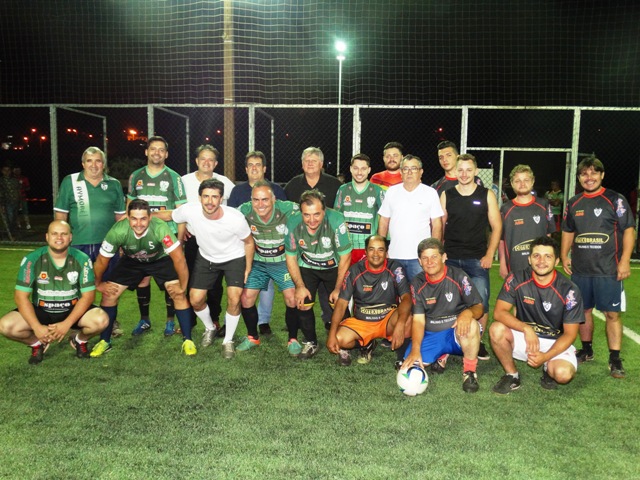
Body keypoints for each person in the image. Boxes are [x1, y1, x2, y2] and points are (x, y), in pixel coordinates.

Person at [561, 156, 635, 378]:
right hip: (581, 270)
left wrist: (624, 261)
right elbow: (568, 230)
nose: (589, 177)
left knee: (611, 313)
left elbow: (629, 230)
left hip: (608, 269)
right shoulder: (574, 203)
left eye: (594, 173)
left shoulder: (615, 200)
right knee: (582, 312)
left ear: (602, 175)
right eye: (584, 173)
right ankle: (587, 350)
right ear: (579, 177)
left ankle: (614, 358)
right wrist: (564, 254)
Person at [90, 199, 194, 357]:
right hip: (132, 261)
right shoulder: (118, 231)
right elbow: (102, 260)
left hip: (160, 260)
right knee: (109, 294)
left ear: (150, 217)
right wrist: (98, 284)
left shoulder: (160, 228)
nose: (138, 223)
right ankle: (105, 341)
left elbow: (179, 259)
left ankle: (188, 340)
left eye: (143, 218)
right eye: (134, 218)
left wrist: (183, 286)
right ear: (128, 217)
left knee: (178, 294)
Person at [0, 220, 108, 364]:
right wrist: (36, 327)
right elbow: (21, 297)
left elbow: (88, 296)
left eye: (64, 234)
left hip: (71, 309)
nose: (59, 238)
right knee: (6, 326)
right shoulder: (32, 259)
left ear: (70, 237)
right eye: (54, 234)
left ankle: (79, 340)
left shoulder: (82, 259)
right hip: (42, 310)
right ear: (47, 237)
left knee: (101, 320)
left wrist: (66, 324)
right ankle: (37, 343)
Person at [173, 179, 253, 359]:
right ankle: (210, 328)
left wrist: (247, 268)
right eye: (206, 196)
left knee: (234, 298)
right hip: (207, 256)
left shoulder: (235, 218)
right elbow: (176, 217)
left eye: (214, 197)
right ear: (199, 197)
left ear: (221, 198)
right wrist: (180, 237)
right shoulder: (189, 209)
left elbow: (249, 242)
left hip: (234, 257)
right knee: (195, 299)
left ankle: (228, 340)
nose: (210, 201)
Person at [491, 236, 582, 394]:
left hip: (555, 342)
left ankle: (548, 368)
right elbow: (499, 312)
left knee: (563, 375)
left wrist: (545, 356)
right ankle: (512, 374)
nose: (541, 261)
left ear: (557, 261)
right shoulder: (516, 278)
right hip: (525, 337)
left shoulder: (569, 290)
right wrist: (526, 328)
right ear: (529, 259)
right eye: (536, 256)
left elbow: (570, 334)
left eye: (548, 256)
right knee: (496, 329)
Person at [440, 153, 502, 362]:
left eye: (469, 170)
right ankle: (448, 342)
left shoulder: (486, 194)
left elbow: (497, 226)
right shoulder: (447, 195)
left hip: (477, 260)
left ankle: (479, 342)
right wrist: (440, 252)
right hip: (451, 260)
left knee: (481, 303)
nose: (464, 174)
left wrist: (489, 254)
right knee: (449, 303)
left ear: (476, 171)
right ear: (455, 171)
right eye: (460, 170)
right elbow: (439, 226)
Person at [401, 238, 484, 393]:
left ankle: (469, 372)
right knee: (408, 366)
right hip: (432, 334)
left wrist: (468, 312)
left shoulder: (459, 276)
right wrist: (416, 350)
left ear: (444, 257)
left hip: (457, 334)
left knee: (472, 324)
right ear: (419, 261)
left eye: (434, 257)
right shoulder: (417, 283)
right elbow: (418, 321)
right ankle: (441, 353)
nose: (430, 262)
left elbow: (479, 307)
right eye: (425, 258)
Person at [127, 136, 187, 337]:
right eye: (153, 149)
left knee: (170, 281)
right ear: (146, 152)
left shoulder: (174, 177)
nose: (157, 153)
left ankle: (170, 321)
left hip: (166, 237)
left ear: (166, 154)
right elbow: (130, 208)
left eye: (161, 150)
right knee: (143, 279)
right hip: (139, 236)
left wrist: (179, 240)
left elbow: (180, 212)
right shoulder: (136, 176)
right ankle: (144, 320)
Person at [284, 189, 352, 359]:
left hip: (333, 266)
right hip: (307, 266)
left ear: (325, 210)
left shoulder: (336, 220)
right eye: (306, 215)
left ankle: (344, 344)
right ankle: (311, 342)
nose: (311, 220)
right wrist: (299, 286)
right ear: (301, 212)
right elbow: (290, 257)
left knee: (339, 303)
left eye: (316, 214)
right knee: (302, 302)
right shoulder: (292, 223)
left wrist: (338, 288)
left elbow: (345, 257)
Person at [326, 235, 412, 366]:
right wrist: (332, 334)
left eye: (380, 250)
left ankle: (402, 358)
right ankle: (367, 343)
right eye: (371, 249)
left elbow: (406, 298)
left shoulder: (395, 268)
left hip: (387, 320)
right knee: (339, 339)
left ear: (386, 252)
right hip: (362, 321)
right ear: (365, 252)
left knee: (408, 318)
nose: (376, 254)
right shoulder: (354, 270)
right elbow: (342, 303)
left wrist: (400, 324)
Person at [228, 151, 287, 335]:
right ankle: (235, 322)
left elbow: (283, 217)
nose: (254, 168)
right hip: (245, 245)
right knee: (248, 285)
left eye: (258, 165)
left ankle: (264, 320)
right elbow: (232, 217)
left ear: (264, 168)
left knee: (267, 284)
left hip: (270, 246)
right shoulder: (238, 191)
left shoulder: (275, 189)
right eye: (250, 165)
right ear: (246, 169)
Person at [180, 145, 235, 341]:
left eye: (211, 159)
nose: (206, 162)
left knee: (215, 282)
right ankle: (190, 319)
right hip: (194, 238)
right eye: (203, 158)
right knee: (191, 278)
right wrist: (183, 226)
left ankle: (214, 318)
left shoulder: (225, 182)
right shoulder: (184, 181)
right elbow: (179, 209)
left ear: (216, 163)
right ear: (196, 161)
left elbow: (233, 209)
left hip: (218, 240)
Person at [284, 147, 343, 329]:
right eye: (307, 160)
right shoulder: (293, 185)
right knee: (306, 286)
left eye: (314, 160)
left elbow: (338, 214)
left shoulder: (334, 185)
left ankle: (329, 318)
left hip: (329, 245)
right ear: (302, 164)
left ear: (321, 164)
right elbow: (289, 214)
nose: (310, 163)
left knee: (329, 286)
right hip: (304, 246)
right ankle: (299, 322)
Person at [237, 181, 299, 352]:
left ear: (273, 199)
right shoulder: (244, 210)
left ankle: (293, 339)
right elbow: (226, 219)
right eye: (256, 200)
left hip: (282, 261)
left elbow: (311, 210)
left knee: (292, 298)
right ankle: (252, 337)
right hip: (258, 261)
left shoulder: (287, 208)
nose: (260, 204)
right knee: (246, 298)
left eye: (265, 199)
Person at [378, 154, 444, 281]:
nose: (409, 172)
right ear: (401, 172)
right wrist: (383, 249)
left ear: (421, 172)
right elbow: (383, 222)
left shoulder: (430, 193)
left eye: (413, 168)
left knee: (419, 295)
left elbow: (437, 224)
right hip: (394, 255)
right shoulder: (391, 192)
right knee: (395, 295)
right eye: (405, 169)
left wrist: (434, 251)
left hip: (420, 258)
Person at [498, 165, 555, 278]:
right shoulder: (506, 209)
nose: (522, 184)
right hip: (515, 266)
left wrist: (549, 260)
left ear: (532, 181)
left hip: (540, 266)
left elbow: (549, 236)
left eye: (526, 180)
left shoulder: (543, 205)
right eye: (518, 181)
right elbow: (501, 240)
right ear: (512, 183)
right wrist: (502, 264)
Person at [334, 153, 385, 264]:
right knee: (346, 279)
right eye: (356, 168)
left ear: (369, 170)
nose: (359, 172)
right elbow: (336, 217)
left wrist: (381, 243)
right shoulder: (343, 189)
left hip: (368, 247)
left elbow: (384, 218)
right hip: (346, 245)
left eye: (363, 168)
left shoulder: (377, 191)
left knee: (366, 279)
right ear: (351, 169)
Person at [0, 164, 21, 237]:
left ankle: (12, 232)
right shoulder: (1, 181)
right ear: (2, 171)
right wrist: (2, 204)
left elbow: (18, 190)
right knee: (10, 217)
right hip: (7, 202)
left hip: (15, 201)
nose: (7, 172)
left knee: (14, 218)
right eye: (5, 170)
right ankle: (9, 233)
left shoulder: (14, 180)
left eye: (8, 170)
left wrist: (19, 201)